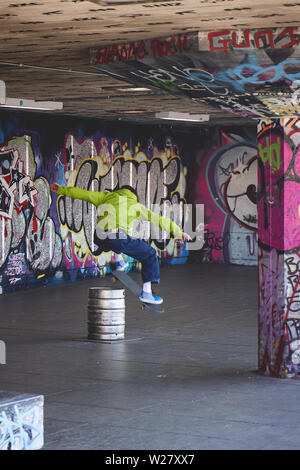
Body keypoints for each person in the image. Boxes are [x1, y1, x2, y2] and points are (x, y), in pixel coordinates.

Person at [51, 183, 191, 305]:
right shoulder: (135, 205)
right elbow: (159, 220)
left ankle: (118, 262)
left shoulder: (106, 197)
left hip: (98, 236)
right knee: (149, 254)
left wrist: (62, 190)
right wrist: (179, 232)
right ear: (134, 196)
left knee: (115, 240)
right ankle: (147, 293)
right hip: (116, 237)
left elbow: (83, 194)